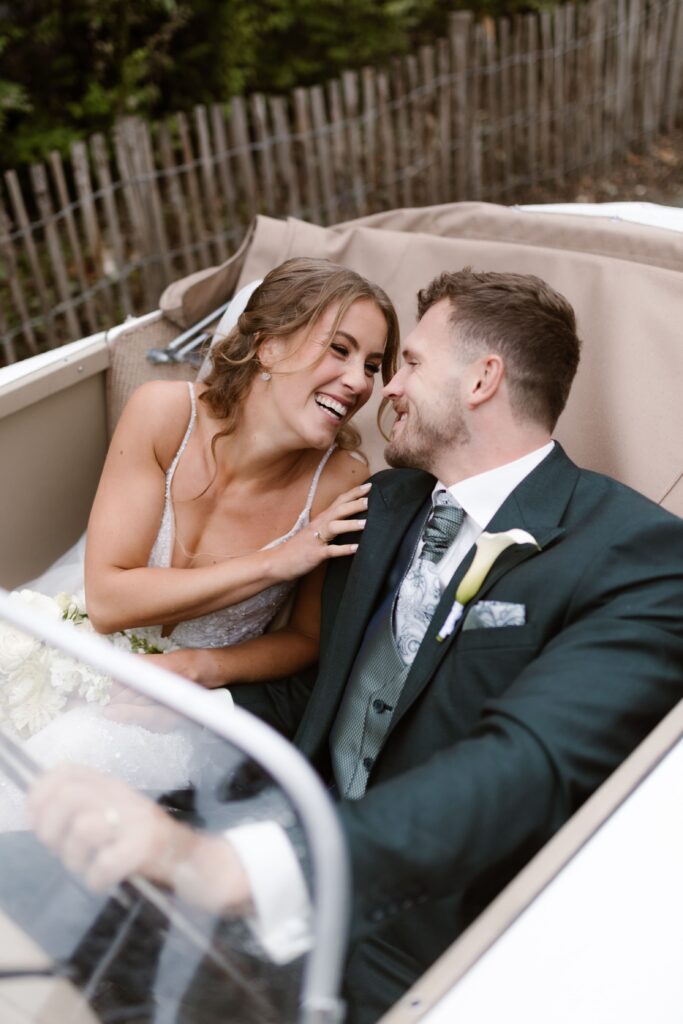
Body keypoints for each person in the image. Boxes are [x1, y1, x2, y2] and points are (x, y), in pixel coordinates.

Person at [28, 269, 683, 1022]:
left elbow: (525, 766)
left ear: (481, 380)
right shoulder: (379, 505)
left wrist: (236, 867)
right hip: (261, 817)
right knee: (37, 877)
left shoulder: (638, 556)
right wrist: (202, 694)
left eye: (406, 364)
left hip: (419, 928)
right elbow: (327, 689)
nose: (384, 389)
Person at [1, 258, 398, 813]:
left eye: (373, 365)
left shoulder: (342, 482)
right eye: (340, 349)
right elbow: (109, 602)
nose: (359, 382)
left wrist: (199, 669)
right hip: (73, 652)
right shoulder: (162, 414)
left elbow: (308, 640)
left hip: (174, 715)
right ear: (269, 346)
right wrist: (274, 562)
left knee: (66, 758)